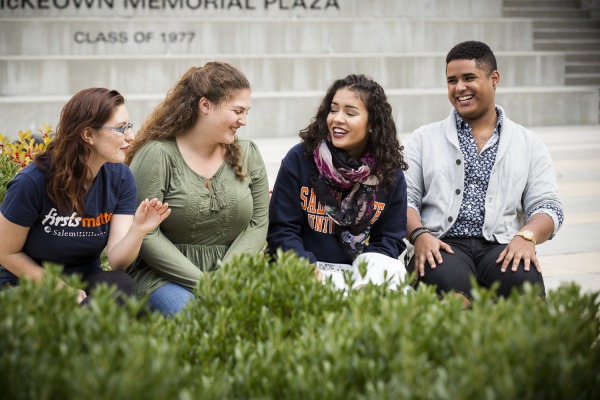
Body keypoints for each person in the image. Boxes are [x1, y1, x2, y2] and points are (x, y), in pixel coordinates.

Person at [405, 41, 564, 306]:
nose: (459, 88)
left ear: (494, 78)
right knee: (454, 301)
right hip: (441, 245)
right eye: (451, 81)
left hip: (502, 246)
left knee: (529, 302)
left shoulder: (528, 142)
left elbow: (548, 206)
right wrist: (419, 235)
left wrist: (528, 236)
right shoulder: (423, 138)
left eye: (469, 78)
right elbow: (405, 199)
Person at [0, 88, 171, 304]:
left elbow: (117, 261)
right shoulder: (32, 181)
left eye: (129, 126)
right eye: (120, 129)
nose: (131, 136)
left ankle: (83, 323)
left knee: (121, 283)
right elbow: (6, 252)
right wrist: (57, 287)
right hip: (28, 283)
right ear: (88, 134)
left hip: (84, 280)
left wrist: (138, 230)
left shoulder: (121, 178)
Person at [126, 62, 269, 316]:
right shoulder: (158, 155)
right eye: (237, 111)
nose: (244, 121)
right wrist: (205, 285)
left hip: (233, 275)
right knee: (202, 321)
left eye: (247, 112)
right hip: (164, 276)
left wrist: (227, 277)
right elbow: (145, 233)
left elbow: (258, 222)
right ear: (205, 105)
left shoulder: (248, 153)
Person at [267, 74, 409, 291]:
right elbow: (282, 229)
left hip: (358, 274)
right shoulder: (301, 160)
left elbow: (389, 239)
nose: (337, 119)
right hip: (306, 270)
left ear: (372, 124)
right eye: (333, 110)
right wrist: (301, 265)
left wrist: (368, 277)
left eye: (350, 113)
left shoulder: (388, 173)